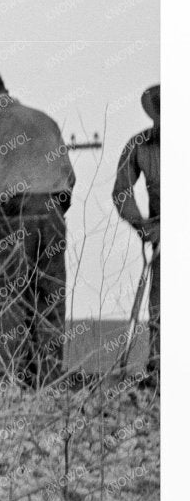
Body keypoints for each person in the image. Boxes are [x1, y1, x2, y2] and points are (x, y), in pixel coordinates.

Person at [0, 69, 77, 387]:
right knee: (49, 299)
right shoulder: (44, 119)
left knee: (6, 300)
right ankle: (49, 385)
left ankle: (3, 385)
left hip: (12, 213)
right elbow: (69, 176)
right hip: (53, 213)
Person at [113, 83, 160, 386]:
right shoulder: (140, 144)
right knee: (160, 307)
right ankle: (159, 373)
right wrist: (142, 226)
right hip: (161, 236)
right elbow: (121, 191)